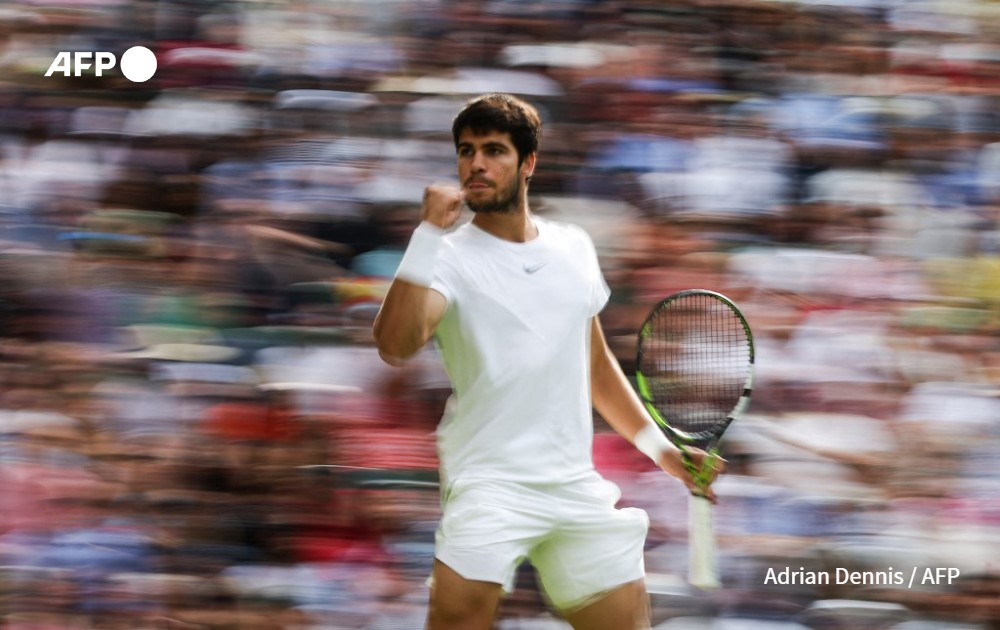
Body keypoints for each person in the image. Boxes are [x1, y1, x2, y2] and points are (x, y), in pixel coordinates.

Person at [372, 93, 723, 630]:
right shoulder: (444, 257)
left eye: (494, 151)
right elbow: (396, 345)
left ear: (528, 163)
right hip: (490, 486)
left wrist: (663, 451)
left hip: (574, 485)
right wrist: (425, 236)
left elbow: (595, 365)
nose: (476, 165)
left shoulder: (574, 246)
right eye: (466, 152)